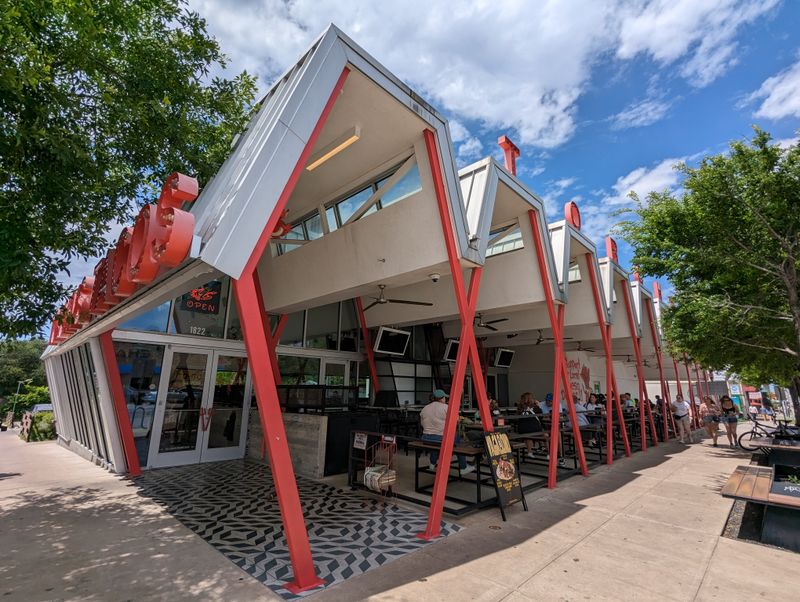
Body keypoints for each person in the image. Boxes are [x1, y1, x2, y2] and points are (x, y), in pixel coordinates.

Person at [421, 389, 476, 474]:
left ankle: (432, 463)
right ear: (442, 398)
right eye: (445, 398)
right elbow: (456, 420)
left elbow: (422, 423)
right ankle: (463, 467)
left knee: (436, 440)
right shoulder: (446, 407)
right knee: (457, 439)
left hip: (425, 438)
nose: (445, 400)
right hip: (440, 439)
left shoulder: (425, 408)